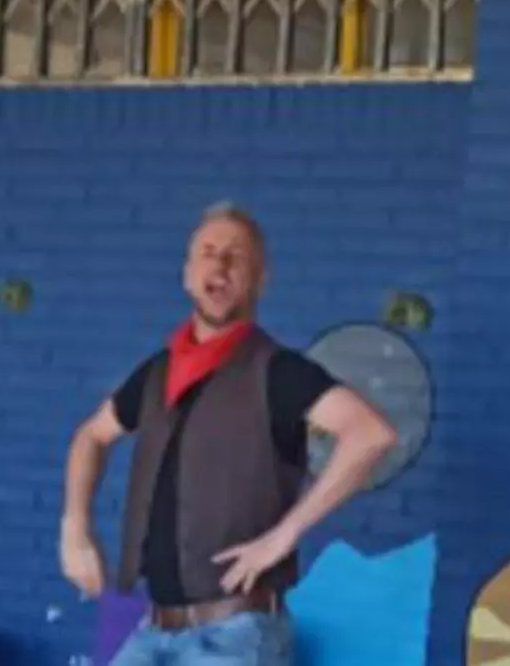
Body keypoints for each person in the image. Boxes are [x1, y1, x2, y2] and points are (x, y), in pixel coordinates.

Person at [59, 203, 397, 665]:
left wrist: (284, 535)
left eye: (236, 256)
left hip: (237, 635)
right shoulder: (156, 375)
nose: (219, 265)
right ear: (187, 275)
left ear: (260, 280)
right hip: (154, 630)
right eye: (208, 252)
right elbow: (90, 437)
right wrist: (75, 528)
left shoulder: (277, 372)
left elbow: (370, 434)